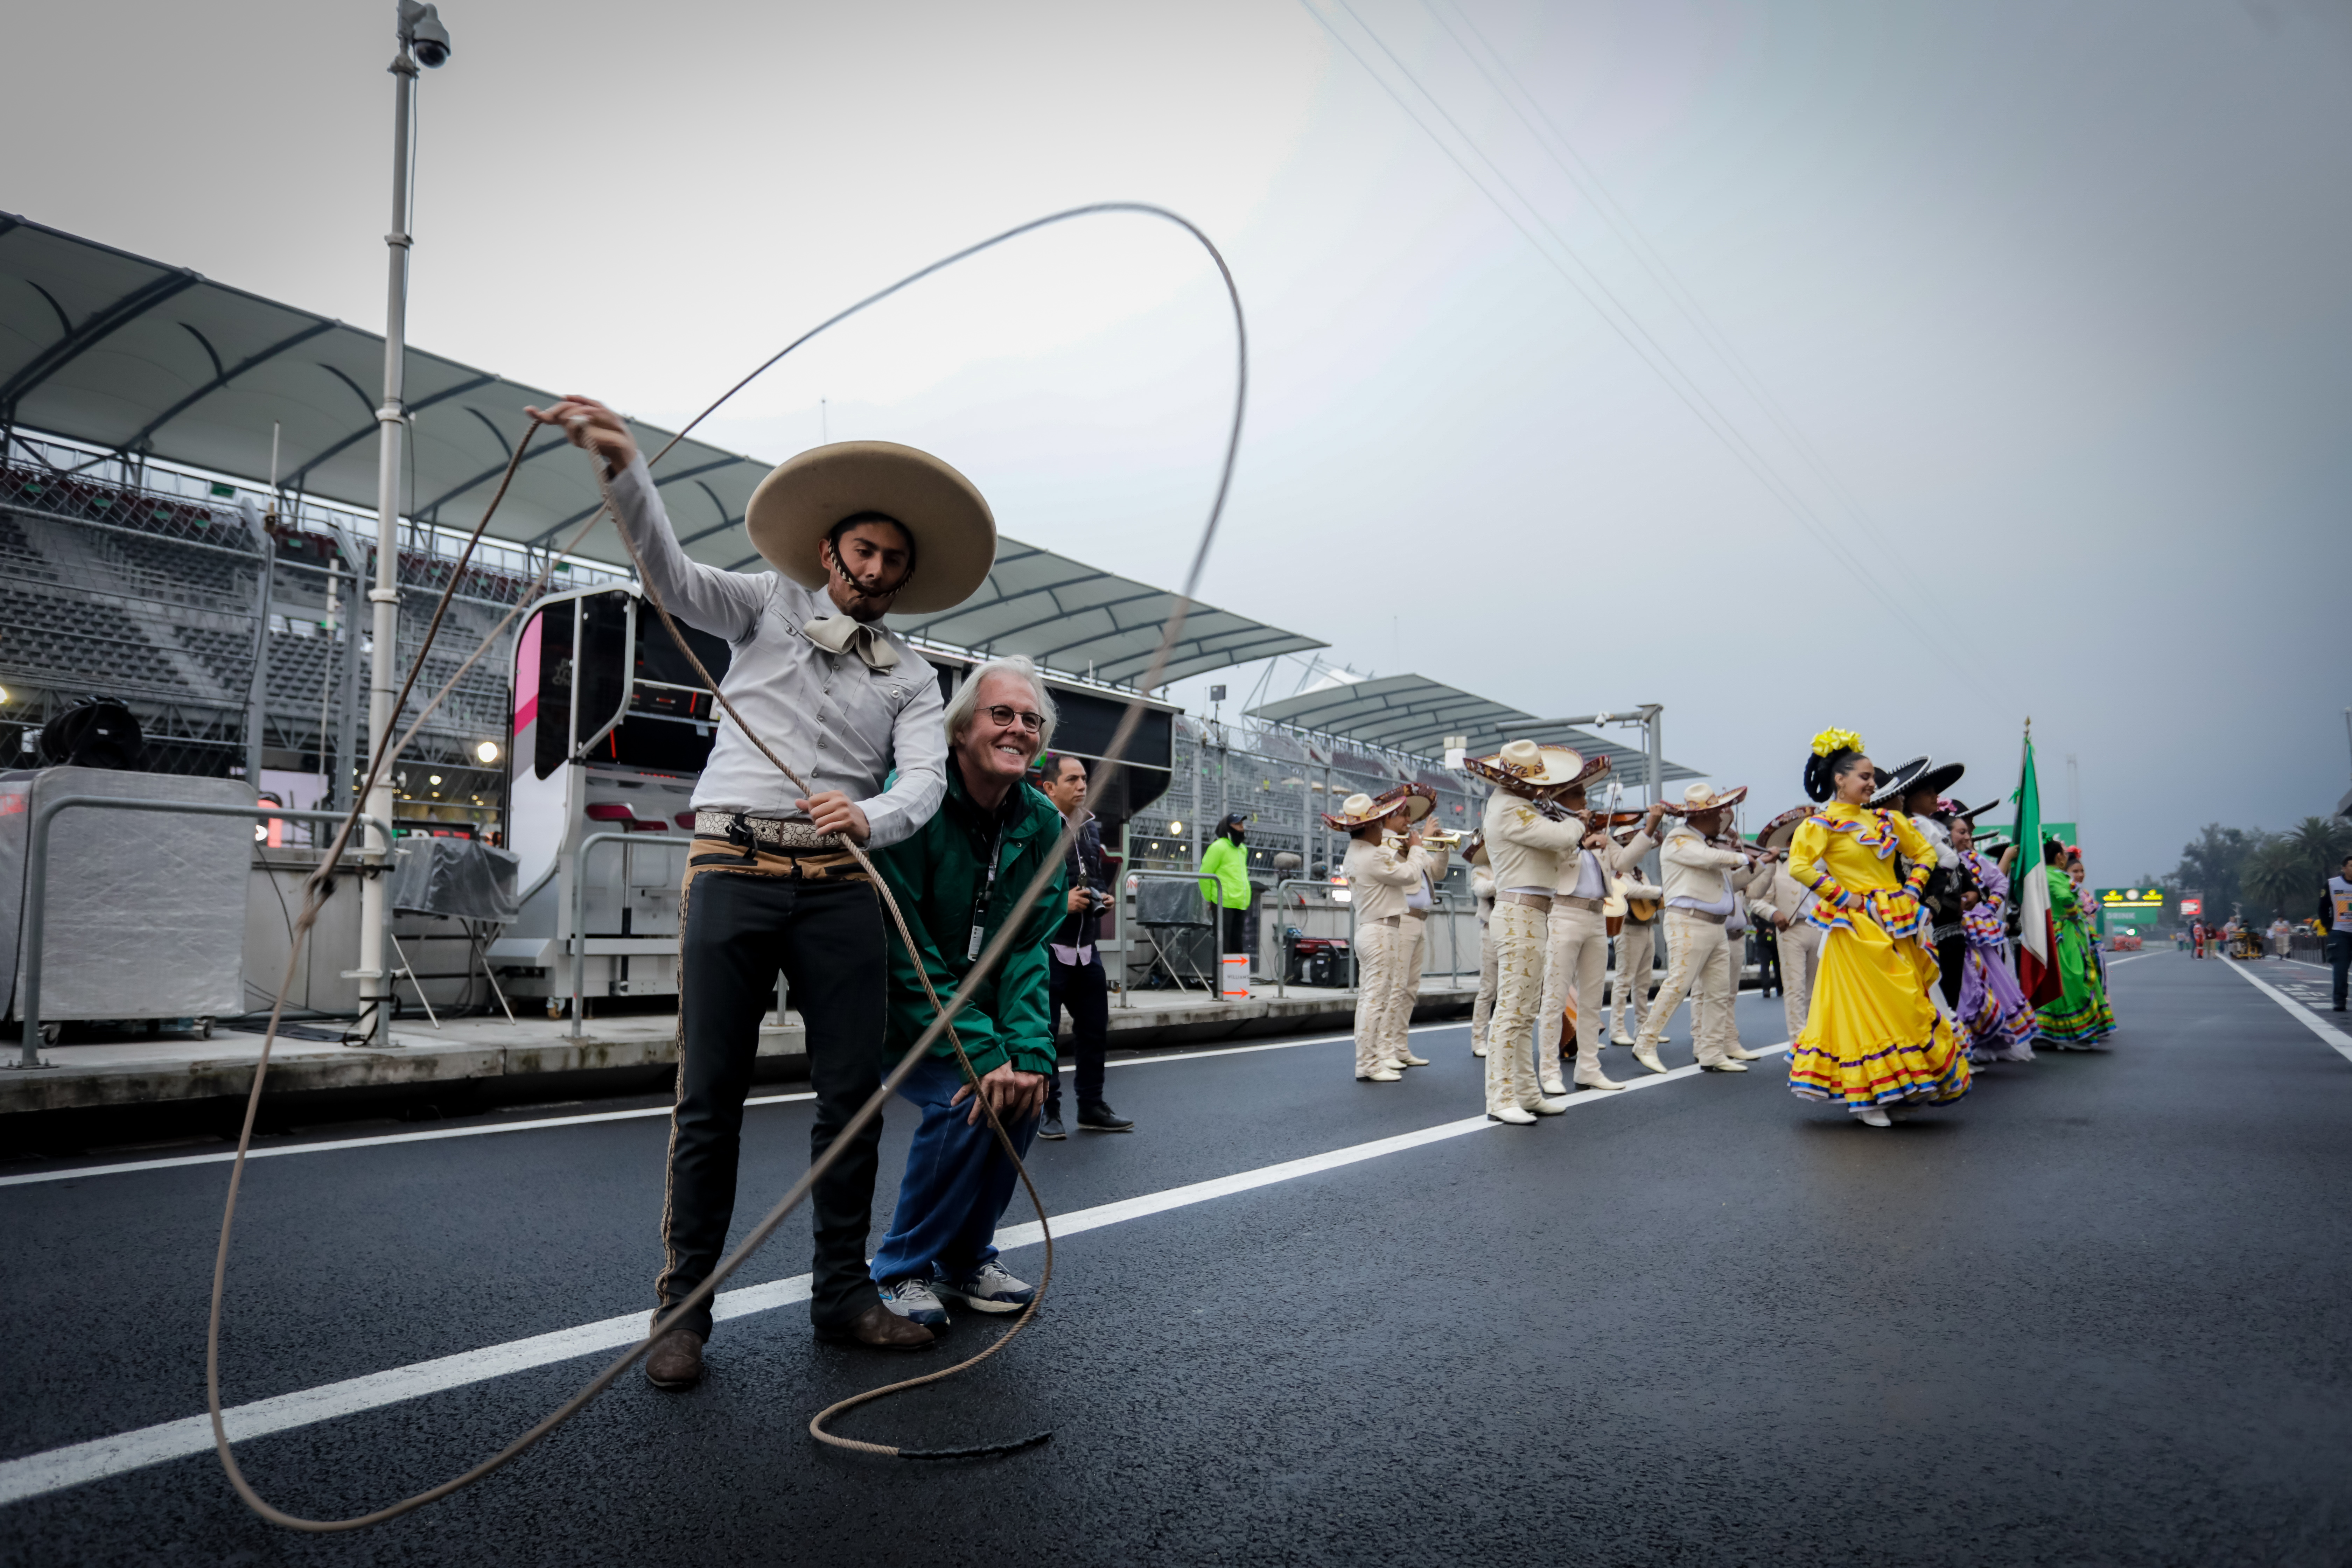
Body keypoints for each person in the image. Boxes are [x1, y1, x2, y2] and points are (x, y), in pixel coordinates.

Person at [530, 399, 997, 1382]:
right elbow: (669, 577)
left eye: (893, 563)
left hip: (839, 883)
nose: (875, 572)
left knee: (852, 1100)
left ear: (904, 580)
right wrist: (625, 469)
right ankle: (682, 1312)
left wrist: (870, 816)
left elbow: (923, 780)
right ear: (829, 551)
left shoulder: (914, 678)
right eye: (863, 551)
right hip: (732, 867)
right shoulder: (763, 606)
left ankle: (843, 1296)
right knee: (709, 1100)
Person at [866, 657, 1068, 1332]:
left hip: (977, 1010)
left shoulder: (1042, 824)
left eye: (1030, 720)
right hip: (903, 1010)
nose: (1018, 729)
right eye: (1001, 715)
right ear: (959, 731)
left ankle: (964, 1257)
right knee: (967, 1099)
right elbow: (906, 952)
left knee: (1025, 1094)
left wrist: (1031, 1050)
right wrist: (982, 1051)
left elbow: (1026, 949)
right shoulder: (912, 799)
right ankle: (899, 1268)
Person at [1783, 728, 1970, 1128]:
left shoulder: (1885, 819)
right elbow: (1798, 865)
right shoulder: (1821, 825)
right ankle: (1866, 1097)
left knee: (1908, 1002)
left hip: (1894, 920)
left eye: (1872, 778)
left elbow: (1924, 852)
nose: (1873, 783)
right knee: (1866, 1009)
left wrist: (1912, 892)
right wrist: (1845, 898)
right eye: (1865, 777)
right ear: (1840, 780)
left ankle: (1901, 1087)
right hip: (1854, 928)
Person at [1467, 740, 1602, 1123]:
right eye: (1536, 780)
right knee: (1513, 1008)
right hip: (1520, 913)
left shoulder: (1520, 807)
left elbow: (1559, 852)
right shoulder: (1510, 807)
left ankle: (1526, 1091)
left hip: (1532, 913)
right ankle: (1499, 1097)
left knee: (1525, 1009)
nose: (1543, 788)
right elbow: (1562, 839)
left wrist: (1569, 829)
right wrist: (1577, 820)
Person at [1630, 782, 1767, 1074]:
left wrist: (1760, 866)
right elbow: (1710, 859)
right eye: (1718, 815)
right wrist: (1743, 857)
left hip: (1715, 925)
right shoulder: (1679, 840)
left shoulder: (1703, 843)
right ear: (1702, 816)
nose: (1722, 820)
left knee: (1718, 992)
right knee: (1678, 985)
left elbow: (1732, 885)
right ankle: (1645, 1043)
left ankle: (1712, 1051)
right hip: (1688, 923)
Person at [1539, 794, 1668, 1093]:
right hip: (1564, 913)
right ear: (1564, 800)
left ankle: (1589, 1069)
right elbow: (1552, 862)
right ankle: (1549, 1071)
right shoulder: (1552, 828)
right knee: (1555, 996)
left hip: (1598, 916)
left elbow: (1623, 861)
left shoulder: (1600, 835)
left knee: (1593, 997)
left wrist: (1649, 829)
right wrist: (1580, 837)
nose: (1586, 802)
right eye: (1579, 796)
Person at [1033, 752, 1131, 1140]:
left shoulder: (1091, 827)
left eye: (1084, 779)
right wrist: (1060, 904)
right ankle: (1048, 1111)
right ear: (1049, 787)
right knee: (1045, 1035)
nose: (1082, 785)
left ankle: (1091, 1106)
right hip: (1050, 948)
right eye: (1072, 779)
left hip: (1086, 949)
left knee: (1094, 1031)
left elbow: (1091, 876)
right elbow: (1019, 891)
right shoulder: (1037, 827)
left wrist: (1102, 896)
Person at [1329, 786, 1437, 1082]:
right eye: (1379, 824)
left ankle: (1372, 1059)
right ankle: (1368, 1063)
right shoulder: (1373, 856)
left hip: (1370, 929)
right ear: (1372, 826)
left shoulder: (1356, 853)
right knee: (1376, 999)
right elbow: (1410, 875)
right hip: (1380, 930)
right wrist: (1416, 847)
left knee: (1371, 999)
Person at [1947, 807, 2036, 1063]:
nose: (1969, 834)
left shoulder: (1973, 860)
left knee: (1978, 984)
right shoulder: (1934, 856)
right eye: (1964, 830)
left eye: (1970, 829)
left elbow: (1999, 883)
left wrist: (1987, 911)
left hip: (1977, 935)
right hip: (1945, 931)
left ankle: (1973, 1045)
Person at [1748, 806, 1826, 1045]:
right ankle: (1798, 1043)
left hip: (1821, 929)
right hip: (1791, 930)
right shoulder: (1779, 868)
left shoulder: (1828, 867)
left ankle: (1816, 1040)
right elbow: (1756, 901)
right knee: (1794, 989)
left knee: (1817, 989)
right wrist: (1775, 913)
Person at [2031, 841, 2115, 1049]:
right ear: (2059, 857)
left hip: (2061, 931)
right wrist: (2073, 913)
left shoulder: (2046, 875)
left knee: (2066, 978)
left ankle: (2056, 1030)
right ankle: (2074, 1031)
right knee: (2074, 978)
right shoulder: (2054, 876)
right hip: (2064, 933)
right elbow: (2065, 898)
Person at [1389, 820, 1453, 1070]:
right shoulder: (1392, 852)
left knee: (1411, 988)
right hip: (1403, 919)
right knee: (1397, 986)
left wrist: (1443, 847)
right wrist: (1423, 842)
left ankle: (1401, 1048)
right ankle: (1387, 1049)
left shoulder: (1420, 854)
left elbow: (1439, 873)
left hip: (1420, 921)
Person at [1605, 844, 1665, 1046]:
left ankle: (1643, 1028)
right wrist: (1657, 891)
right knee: (1624, 980)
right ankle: (1617, 1029)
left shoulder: (1640, 873)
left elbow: (1646, 894)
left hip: (1647, 927)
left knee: (1644, 982)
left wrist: (1654, 894)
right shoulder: (1617, 874)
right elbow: (1629, 891)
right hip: (1628, 928)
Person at [1198, 812, 1254, 978]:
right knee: (1223, 945)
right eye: (1237, 825)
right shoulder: (1218, 847)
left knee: (1237, 945)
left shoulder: (1243, 849)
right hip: (1223, 903)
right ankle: (1220, 987)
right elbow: (1205, 874)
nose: (1242, 828)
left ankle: (1236, 988)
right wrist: (1210, 898)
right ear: (1227, 827)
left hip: (1240, 903)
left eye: (1242, 825)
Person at [1467, 833, 1497, 1058]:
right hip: (1491, 931)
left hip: (1515, 931)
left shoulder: (1514, 863)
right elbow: (1481, 889)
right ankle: (1478, 1039)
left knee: (1510, 990)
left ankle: (1500, 1037)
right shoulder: (1481, 868)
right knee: (1488, 989)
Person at [2322, 855, 2352, 1011]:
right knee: (2340, 969)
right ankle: (2340, 1000)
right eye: (2351, 866)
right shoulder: (2332, 884)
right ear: (2344, 868)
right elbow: (2323, 908)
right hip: (2340, 932)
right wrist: (2329, 927)